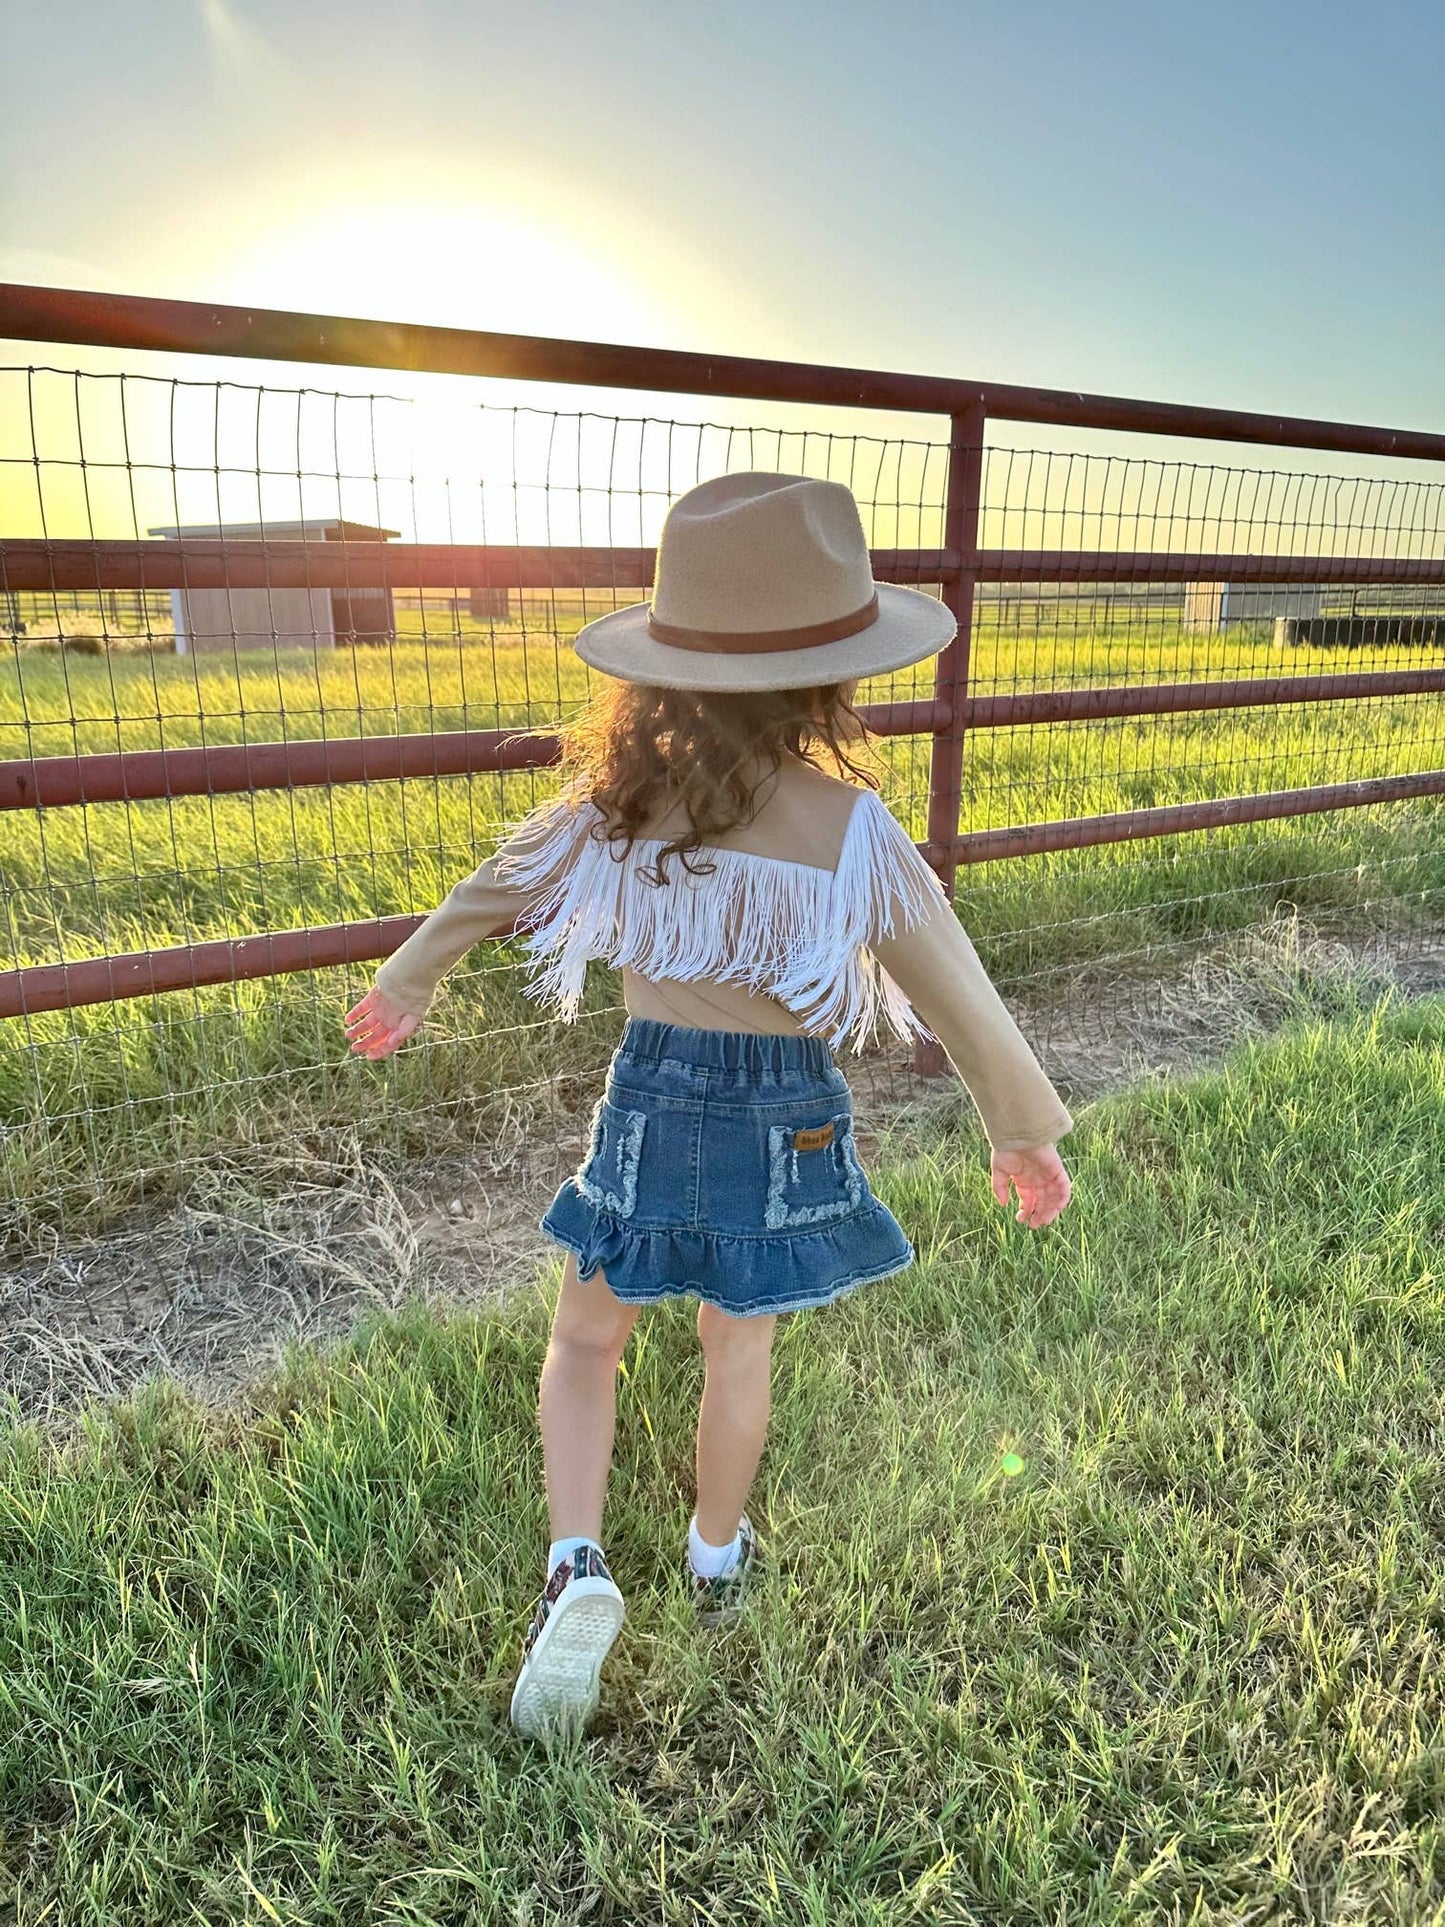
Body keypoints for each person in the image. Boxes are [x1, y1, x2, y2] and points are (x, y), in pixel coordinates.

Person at [343, 471, 1075, 1740]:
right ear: (832, 682)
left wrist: (409, 981)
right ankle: (715, 1553)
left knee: (586, 1339)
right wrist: (1019, 1126)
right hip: (782, 1117)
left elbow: (495, 882)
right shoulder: (851, 830)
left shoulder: (617, 805)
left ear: (660, 674)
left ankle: (577, 1560)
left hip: (649, 1093)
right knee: (739, 1345)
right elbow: (953, 987)